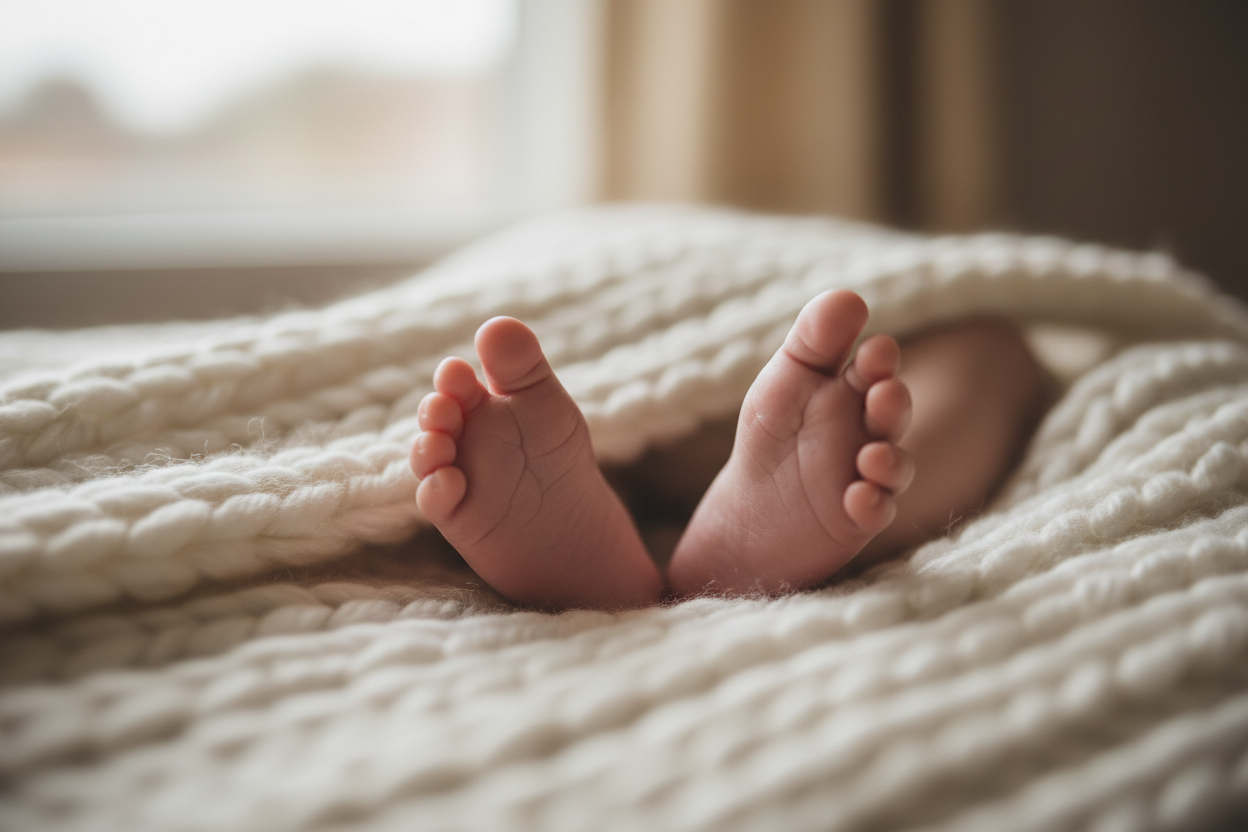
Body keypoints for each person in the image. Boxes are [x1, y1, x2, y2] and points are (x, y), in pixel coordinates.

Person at [409, 289, 1048, 609]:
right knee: (988, 348)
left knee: (507, 423)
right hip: (753, 372)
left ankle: (597, 503)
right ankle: (840, 500)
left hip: (583, 392)